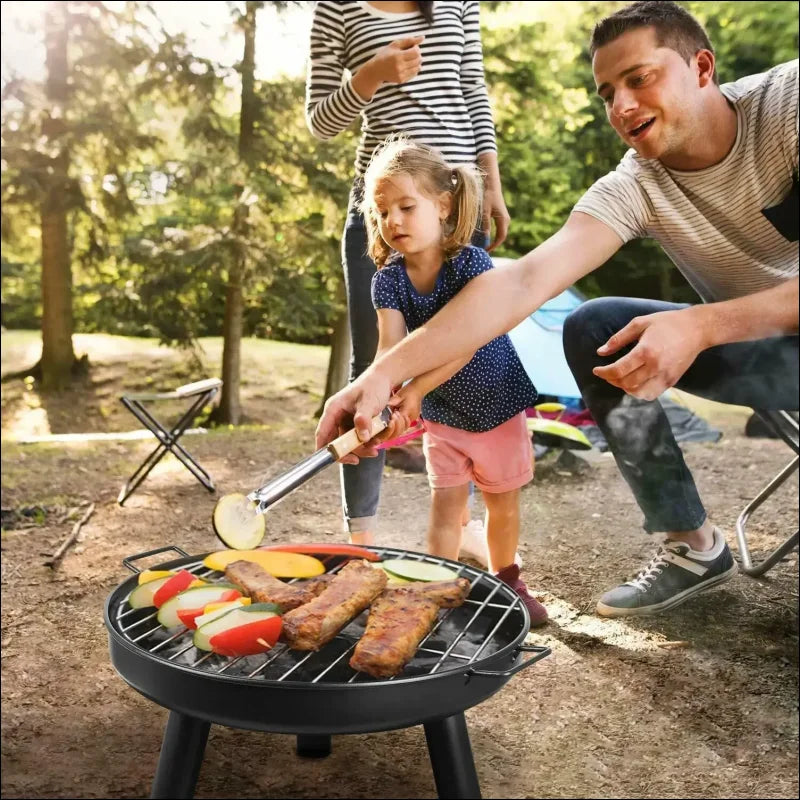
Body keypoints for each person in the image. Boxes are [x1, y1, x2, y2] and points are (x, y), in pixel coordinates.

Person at [316, 1, 799, 618]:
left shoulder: (786, 107)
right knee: (593, 326)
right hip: (769, 356)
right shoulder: (637, 182)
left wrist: (702, 324)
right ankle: (691, 545)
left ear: (701, 66)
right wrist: (378, 376)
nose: (620, 107)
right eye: (606, 92)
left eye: (640, 78)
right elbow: (522, 283)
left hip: (759, 336)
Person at [305, 0, 510, 562]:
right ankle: (361, 542)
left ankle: (461, 524)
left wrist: (490, 184)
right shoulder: (336, 8)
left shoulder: (455, 3)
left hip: (452, 211)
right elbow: (321, 119)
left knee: (465, 351)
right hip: (381, 217)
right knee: (372, 367)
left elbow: (474, 91)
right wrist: (369, 76)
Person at [357, 135, 546, 625]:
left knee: (502, 505)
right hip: (442, 415)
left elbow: (464, 342)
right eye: (382, 211)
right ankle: (438, 587)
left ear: (442, 205)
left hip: (495, 403)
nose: (393, 220)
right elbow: (391, 352)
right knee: (445, 507)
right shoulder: (388, 279)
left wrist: (415, 389)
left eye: (406, 206)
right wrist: (385, 401)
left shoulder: (471, 265)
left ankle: (508, 579)